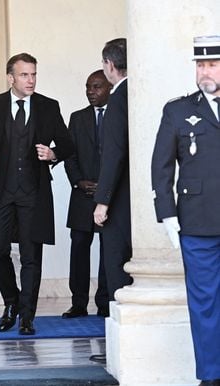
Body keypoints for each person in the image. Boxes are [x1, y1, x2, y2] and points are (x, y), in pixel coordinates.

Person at [0, 52, 74, 335]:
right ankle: (11, 301)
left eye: (34, 74)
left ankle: (27, 316)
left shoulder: (49, 107)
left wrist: (53, 153)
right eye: (24, 75)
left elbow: (67, 144)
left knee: (31, 256)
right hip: (0, 192)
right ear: (10, 77)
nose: (31, 80)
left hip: (33, 194)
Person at [151, 35, 220, 386]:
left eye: (212, 64)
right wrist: (167, 215)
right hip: (197, 223)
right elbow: (161, 166)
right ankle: (211, 376)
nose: (204, 71)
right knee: (205, 303)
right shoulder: (178, 110)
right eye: (200, 64)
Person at [91, 38, 133, 364]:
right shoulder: (138, 91)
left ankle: (122, 348)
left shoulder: (119, 99)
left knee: (116, 270)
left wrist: (102, 201)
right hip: (136, 200)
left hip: (120, 202)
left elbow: (114, 155)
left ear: (109, 65)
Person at [63, 70, 111, 319]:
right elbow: (69, 154)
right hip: (82, 196)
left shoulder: (119, 115)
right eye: (88, 87)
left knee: (108, 251)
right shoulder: (77, 118)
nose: (90, 92)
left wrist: (106, 186)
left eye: (96, 87)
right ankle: (78, 303)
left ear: (110, 88)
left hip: (110, 197)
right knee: (79, 249)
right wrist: (79, 181)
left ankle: (105, 303)